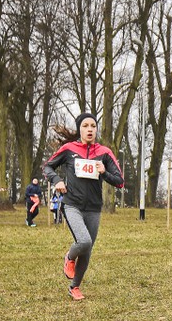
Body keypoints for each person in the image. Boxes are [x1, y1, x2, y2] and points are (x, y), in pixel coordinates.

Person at [43, 113, 124, 301]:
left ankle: (75, 287)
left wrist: (104, 172)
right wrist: (57, 180)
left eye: (93, 126)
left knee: (87, 251)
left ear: (96, 130)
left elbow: (120, 182)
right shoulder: (69, 149)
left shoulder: (104, 152)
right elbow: (47, 167)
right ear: (80, 129)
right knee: (84, 241)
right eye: (85, 126)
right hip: (72, 204)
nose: (89, 129)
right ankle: (69, 257)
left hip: (94, 208)